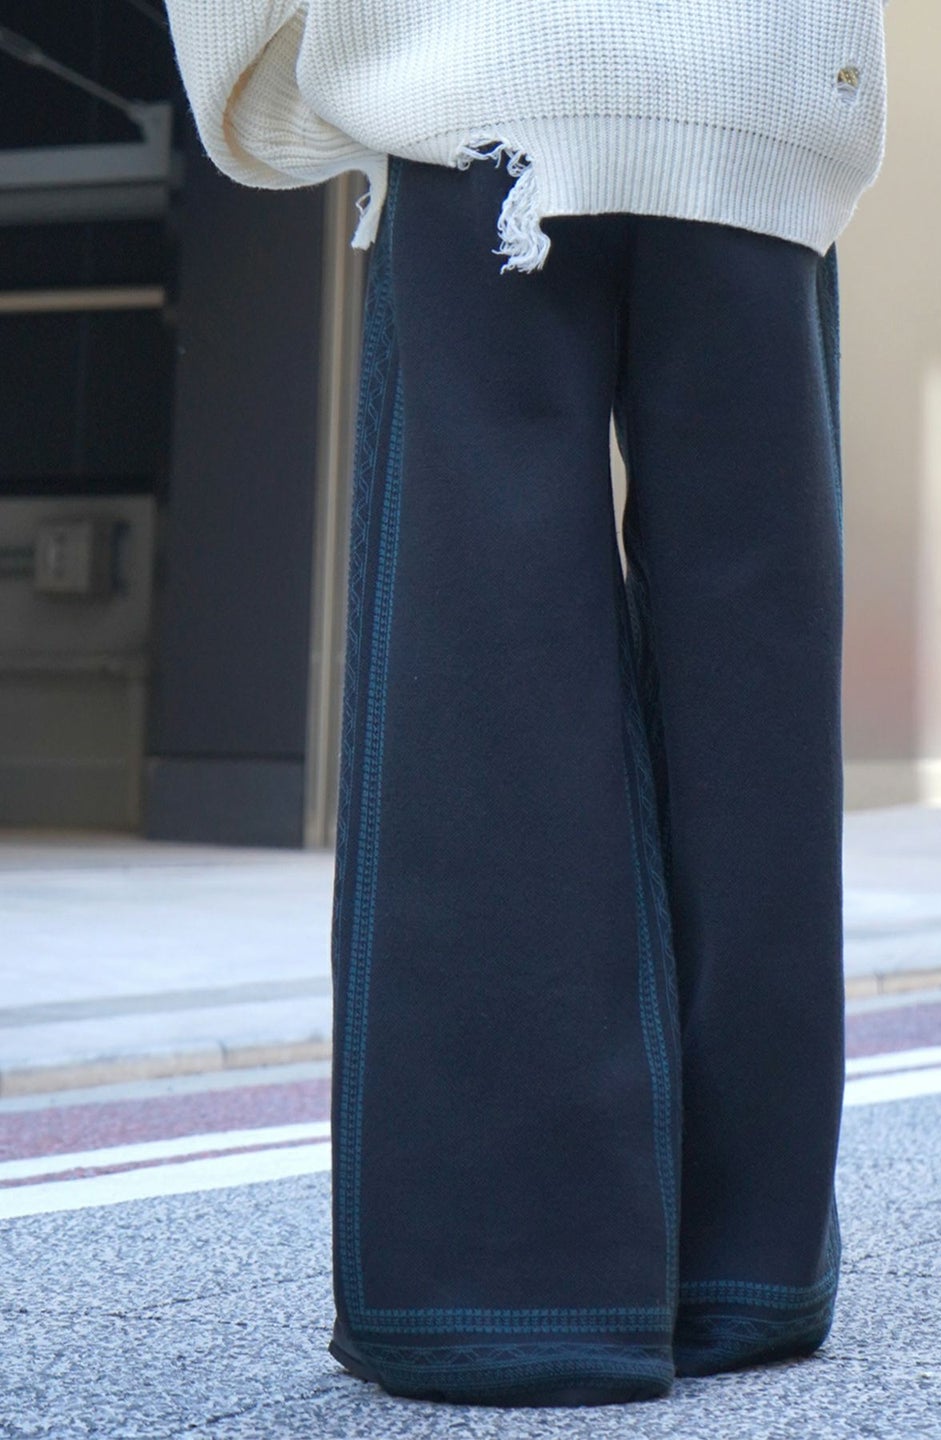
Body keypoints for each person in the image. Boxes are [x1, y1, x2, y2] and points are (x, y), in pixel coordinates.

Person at [164, 0, 889, 1409]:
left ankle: (516, 1293)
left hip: (488, 101)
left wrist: (318, 89)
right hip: (762, 108)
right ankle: (745, 1272)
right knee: (757, 696)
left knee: (487, 692)